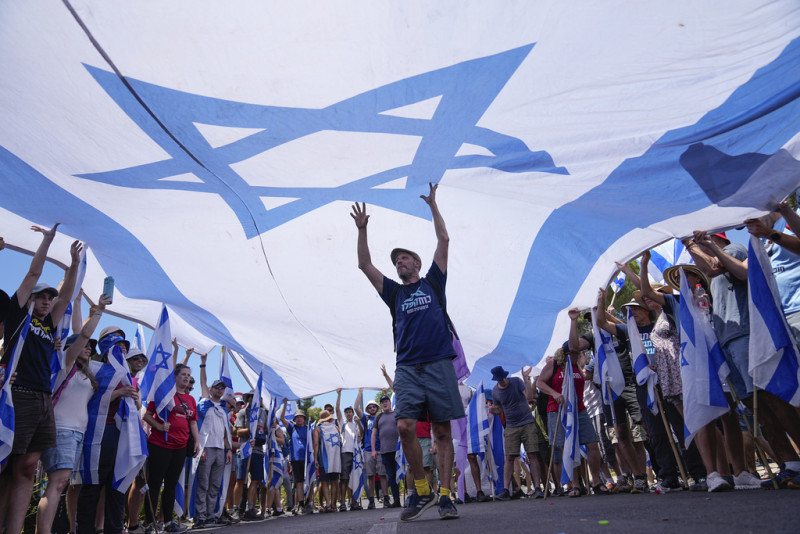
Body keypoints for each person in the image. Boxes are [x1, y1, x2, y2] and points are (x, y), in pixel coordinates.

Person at [351, 182, 463, 521]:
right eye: (396, 261)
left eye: (403, 258)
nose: (398, 262)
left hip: (440, 363)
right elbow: (364, 265)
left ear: (415, 262)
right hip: (409, 367)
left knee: (442, 432)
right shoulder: (393, 293)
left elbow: (444, 240)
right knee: (404, 427)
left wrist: (433, 205)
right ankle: (421, 489)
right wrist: (362, 230)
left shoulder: (433, 282)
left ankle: (445, 496)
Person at [0, 224, 82, 534]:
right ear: (29, 299)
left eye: (50, 297)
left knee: (27, 468)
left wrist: (74, 264)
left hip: (43, 399)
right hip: (18, 394)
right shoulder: (18, 316)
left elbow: (67, 296)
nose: (46, 301)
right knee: (7, 467)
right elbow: (32, 276)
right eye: (41, 297)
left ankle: (15, 529)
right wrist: (47, 242)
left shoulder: (49, 326)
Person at [36, 295, 110, 534]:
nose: (88, 348)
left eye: (90, 348)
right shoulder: (65, 364)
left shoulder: (87, 374)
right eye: (84, 346)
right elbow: (83, 334)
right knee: (57, 484)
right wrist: (97, 310)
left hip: (77, 433)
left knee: (61, 484)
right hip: (61, 430)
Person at [536, 348, 607, 497]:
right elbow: (540, 382)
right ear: (567, 353)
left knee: (593, 443)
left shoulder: (577, 366)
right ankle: (574, 483)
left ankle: (596, 481)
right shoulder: (554, 365)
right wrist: (554, 393)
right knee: (567, 446)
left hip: (579, 409)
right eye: (575, 352)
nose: (579, 355)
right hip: (558, 410)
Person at [141, 364, 198, 533]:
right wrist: (159, 426)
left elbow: (193, 422)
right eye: (183, 374)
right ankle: (149, 523)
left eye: (188, 375)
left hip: (180, 446)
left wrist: (197, 441)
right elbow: (147, 415)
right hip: (161, 444)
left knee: (171, 485)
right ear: (175, 376)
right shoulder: (163, 394)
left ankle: (168, 523)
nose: (187, 377)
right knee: (155, 483)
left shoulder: (190, 399)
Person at [489, 366, 545, 500]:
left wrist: (526, 379)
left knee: (532, 455)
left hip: (527, 423)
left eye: (503, 378)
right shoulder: (495, 391)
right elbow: (499, 409)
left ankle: (537, 487)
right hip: (511, 426)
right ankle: (506, 489)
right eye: (499, 379)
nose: (502, 381)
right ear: (496, 379)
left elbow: (529, 397)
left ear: (505, 375)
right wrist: (492, 411)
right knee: (509, 457)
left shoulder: (516, 382)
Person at [193, 353, 234, 529]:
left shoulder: (224, 408)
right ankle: (199, 516)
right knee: (203, 483)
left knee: (215, 484)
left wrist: (229, 449)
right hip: (206, 448)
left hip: (220, 450)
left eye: (222, 388)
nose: (219, 390)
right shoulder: (204, 402)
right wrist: (203, 363)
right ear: (211, 389)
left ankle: (211, 515)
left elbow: (226, 432)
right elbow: (203, 382)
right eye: (217, 387)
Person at [354, 389, 387, 509]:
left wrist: (386, 393)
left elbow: (388, 405)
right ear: (368, 410)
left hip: (382, 448)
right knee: (371, 475)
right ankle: (371, 500)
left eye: (374, 406)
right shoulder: (366, 419)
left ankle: (386, 498)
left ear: (377, 408)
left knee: (383, 474)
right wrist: (360, 393)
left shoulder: (382, 417)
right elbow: (356, 408)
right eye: (370, 407)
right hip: (368, 449)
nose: (372, 408)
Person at [371, 394, 402, 508]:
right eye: (382, 402)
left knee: (402, 474)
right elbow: (374, 435)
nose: (385, 403)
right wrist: (374, 450)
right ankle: (397, 500)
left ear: (390, 402)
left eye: (386, 401)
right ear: (381, 405)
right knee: (391, 476)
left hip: (398, 451)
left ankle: (410, 498)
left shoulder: (397, 414)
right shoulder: (378, 418)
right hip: (385, 451)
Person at [336, 389, 364, 510]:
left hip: (356, 454)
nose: (348, 414)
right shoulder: (342, 424)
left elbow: (362, 434)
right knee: (344, 479)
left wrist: (359, 423)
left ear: (353, 414)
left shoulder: (356, 424)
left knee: (355, 477)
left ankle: (354, 502)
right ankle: (342, 502)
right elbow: (337, 410)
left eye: (350, 412)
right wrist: (339, 394)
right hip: (345, 453)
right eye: (346, 412)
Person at [280, 401, 310, 514]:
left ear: (304, 418)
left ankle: (309, 503)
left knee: (309, 482)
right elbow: (282, 418)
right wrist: (285, 403)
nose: (299, 419)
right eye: (297, 417)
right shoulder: (291, 428)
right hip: (296, 460)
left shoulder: (308, 429)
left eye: (301, 417)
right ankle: (301, 504)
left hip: (307, 459)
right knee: (299, 482)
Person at [313, 409, 342, 512]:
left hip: (324, 459)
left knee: (324, 482)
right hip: (336, 459)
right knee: (335, 481)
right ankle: (334, 505)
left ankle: (328, 504)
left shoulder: (317, 429)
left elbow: (316, 444)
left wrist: (315, 458)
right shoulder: (336, 427)